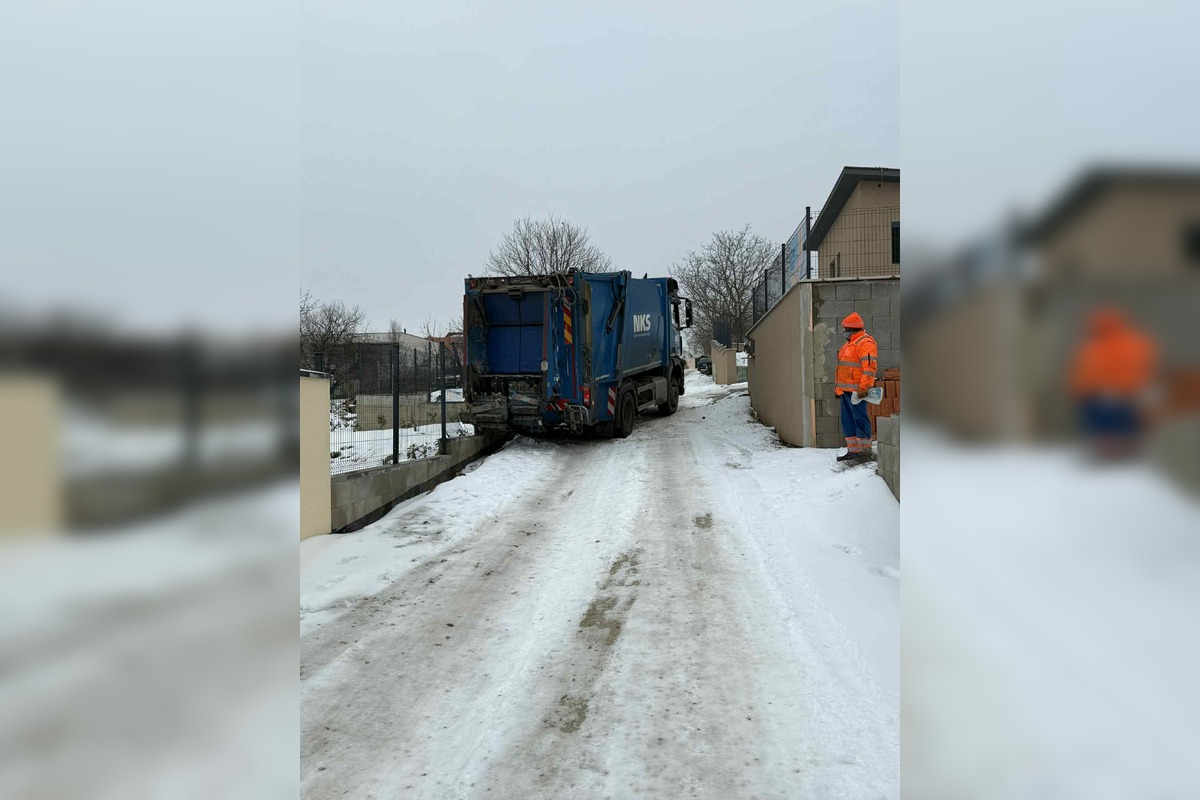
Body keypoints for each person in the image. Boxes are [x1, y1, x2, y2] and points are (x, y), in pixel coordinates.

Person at [1069, 306, 1156, 458]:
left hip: (1121, 393)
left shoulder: (1104, 346)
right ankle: (1118, 446)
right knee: (1108, 414)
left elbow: (1139, 368)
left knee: (1109, 414)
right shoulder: (1095, 346)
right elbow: (1082, 373)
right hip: (1112, 393)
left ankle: (1116, 446)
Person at [835, 312, 878, 463]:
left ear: (852, 329)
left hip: (858, 392)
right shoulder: (850, 343)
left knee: (860, 420)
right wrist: (839, 390)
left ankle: (865, 453)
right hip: (846, 392)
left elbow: (869, 368)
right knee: (848, 421)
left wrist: (863, 389)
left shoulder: (865, 343)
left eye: (845, 329)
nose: (843, 332)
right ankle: (853, 452)